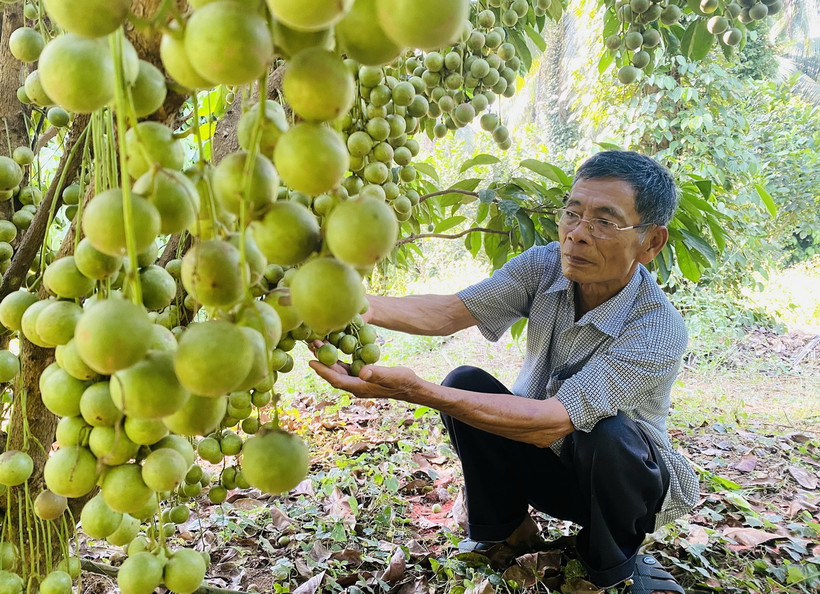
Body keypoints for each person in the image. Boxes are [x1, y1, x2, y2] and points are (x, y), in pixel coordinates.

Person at [310, 150, 697, 594]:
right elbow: (447, 313)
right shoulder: (544, 265)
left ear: (651, 243)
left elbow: (552, 421)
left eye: (604, 222)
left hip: (619, 488)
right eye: (572, 213)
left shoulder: (658, 327)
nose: (577, 236)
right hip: (550, 461)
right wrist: (351, 303)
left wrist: (417, 391)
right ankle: (509, 533)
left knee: (610, 434)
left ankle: (610, 565)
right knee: (464, 384)